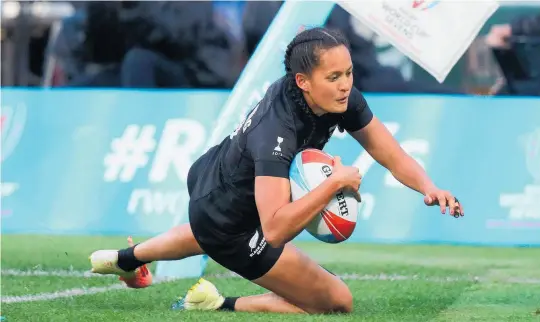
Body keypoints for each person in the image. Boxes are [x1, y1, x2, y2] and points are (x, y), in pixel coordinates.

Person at [89, 27, 464, 314]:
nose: (346, 84)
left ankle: (124, 260)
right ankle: (218, 303)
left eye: (348, 72)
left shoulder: (337, 97)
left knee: (206, 227)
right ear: (303, 81)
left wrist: (429, 187)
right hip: (230, 218)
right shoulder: (277, 130)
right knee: (337, 301)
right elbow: (275, 229)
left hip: (219, 184)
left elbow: (391, 154)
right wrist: (333, 184)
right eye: (334, 77)